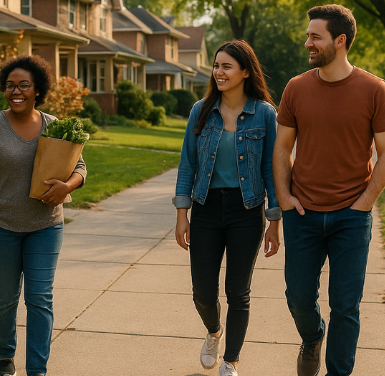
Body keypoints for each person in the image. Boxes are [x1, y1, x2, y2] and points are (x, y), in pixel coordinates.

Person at [273, 4, 385, 376]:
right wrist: (284, 197)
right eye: (308, 35)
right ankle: (312, 338)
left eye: (315, 36)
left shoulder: (374, 89)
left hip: (351, 217)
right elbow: (282, 148)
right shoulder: (296, 88)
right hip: (303, 213)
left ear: (339, 41)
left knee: (345, 305)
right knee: (298, 298)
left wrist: (363, 204)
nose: (307, 42)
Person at [0, 55, 86, 376]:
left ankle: (37, 369)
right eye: (10, 86)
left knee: (39, 298)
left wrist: (67, 184)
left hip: (45, 225)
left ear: (37, 89)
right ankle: (5, 356)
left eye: (24, 85)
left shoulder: (55, 125)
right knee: (4, 298)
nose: (16, 91)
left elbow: (80, 166)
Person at [173, 39, 281, 376]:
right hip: (205, 208)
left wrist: (274, 220)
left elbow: (271, 169)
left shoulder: (264, 113)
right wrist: (182, 214)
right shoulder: (201, 109)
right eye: (216, 65)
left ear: (245, 71)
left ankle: (231, 360)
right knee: (202, 292)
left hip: (245, 210)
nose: (218, 72)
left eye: (226, 66)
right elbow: (187, 164)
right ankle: (214, 332)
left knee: (238, 291)